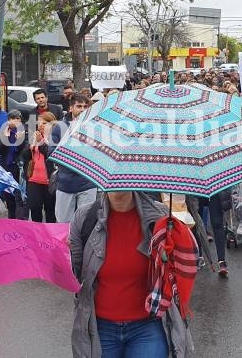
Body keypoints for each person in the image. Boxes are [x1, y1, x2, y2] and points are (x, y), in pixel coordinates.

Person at [69, 191, 194, 357]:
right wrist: (64, 255)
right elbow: (75, 275)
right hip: (99, 329)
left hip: (148, 325)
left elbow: (180, 268)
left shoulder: (159, 216)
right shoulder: (85, 217)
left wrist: (174, 241)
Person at [49, 95, 95, 222]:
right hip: (66, 183)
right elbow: (51, 152)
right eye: (79, 106)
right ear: (70, 108)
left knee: (86, 222)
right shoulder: (59, 127)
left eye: (85, 107)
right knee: (63, 222)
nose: (82, 109)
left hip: (88, 182)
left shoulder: (94, 127)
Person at [21, 112, 58, 222]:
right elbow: (25, 156)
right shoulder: (35, 136)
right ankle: (37, 236)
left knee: (50, 210)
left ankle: (50, 236)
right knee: (35, 208)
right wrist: (31, 146)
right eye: (39, 123)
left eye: (44, 123)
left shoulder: (55, 138)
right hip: (33, 180)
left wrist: (41, 143)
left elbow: (50, 155)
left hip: (49, 181)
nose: (41, 125)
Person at [0, 109, 28, 219]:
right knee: (9, 195)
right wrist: (5, 138)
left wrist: (20, 141)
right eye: (13, 118)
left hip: (19, 168)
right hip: (7, 167)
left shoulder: (24, 132)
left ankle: (21, 221)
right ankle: (11, 218)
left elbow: (25, 153)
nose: (15, 121)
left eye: (18, 118)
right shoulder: (3, 132)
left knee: (20, 196)